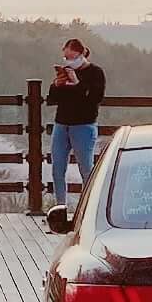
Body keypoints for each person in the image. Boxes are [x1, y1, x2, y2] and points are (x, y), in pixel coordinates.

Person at [48, 37, 106, 197]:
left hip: (83, 125)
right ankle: (60, 206)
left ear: (81, 54)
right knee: (57, 169)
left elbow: (95, 98)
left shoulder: (95, 72)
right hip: (61, 124)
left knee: (86, 169)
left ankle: (87, 206)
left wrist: (77, 82)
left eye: (71, 57)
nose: (68, 61)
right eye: (66, 57)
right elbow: (52, 99)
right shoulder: (65, 71)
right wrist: (56, 85)